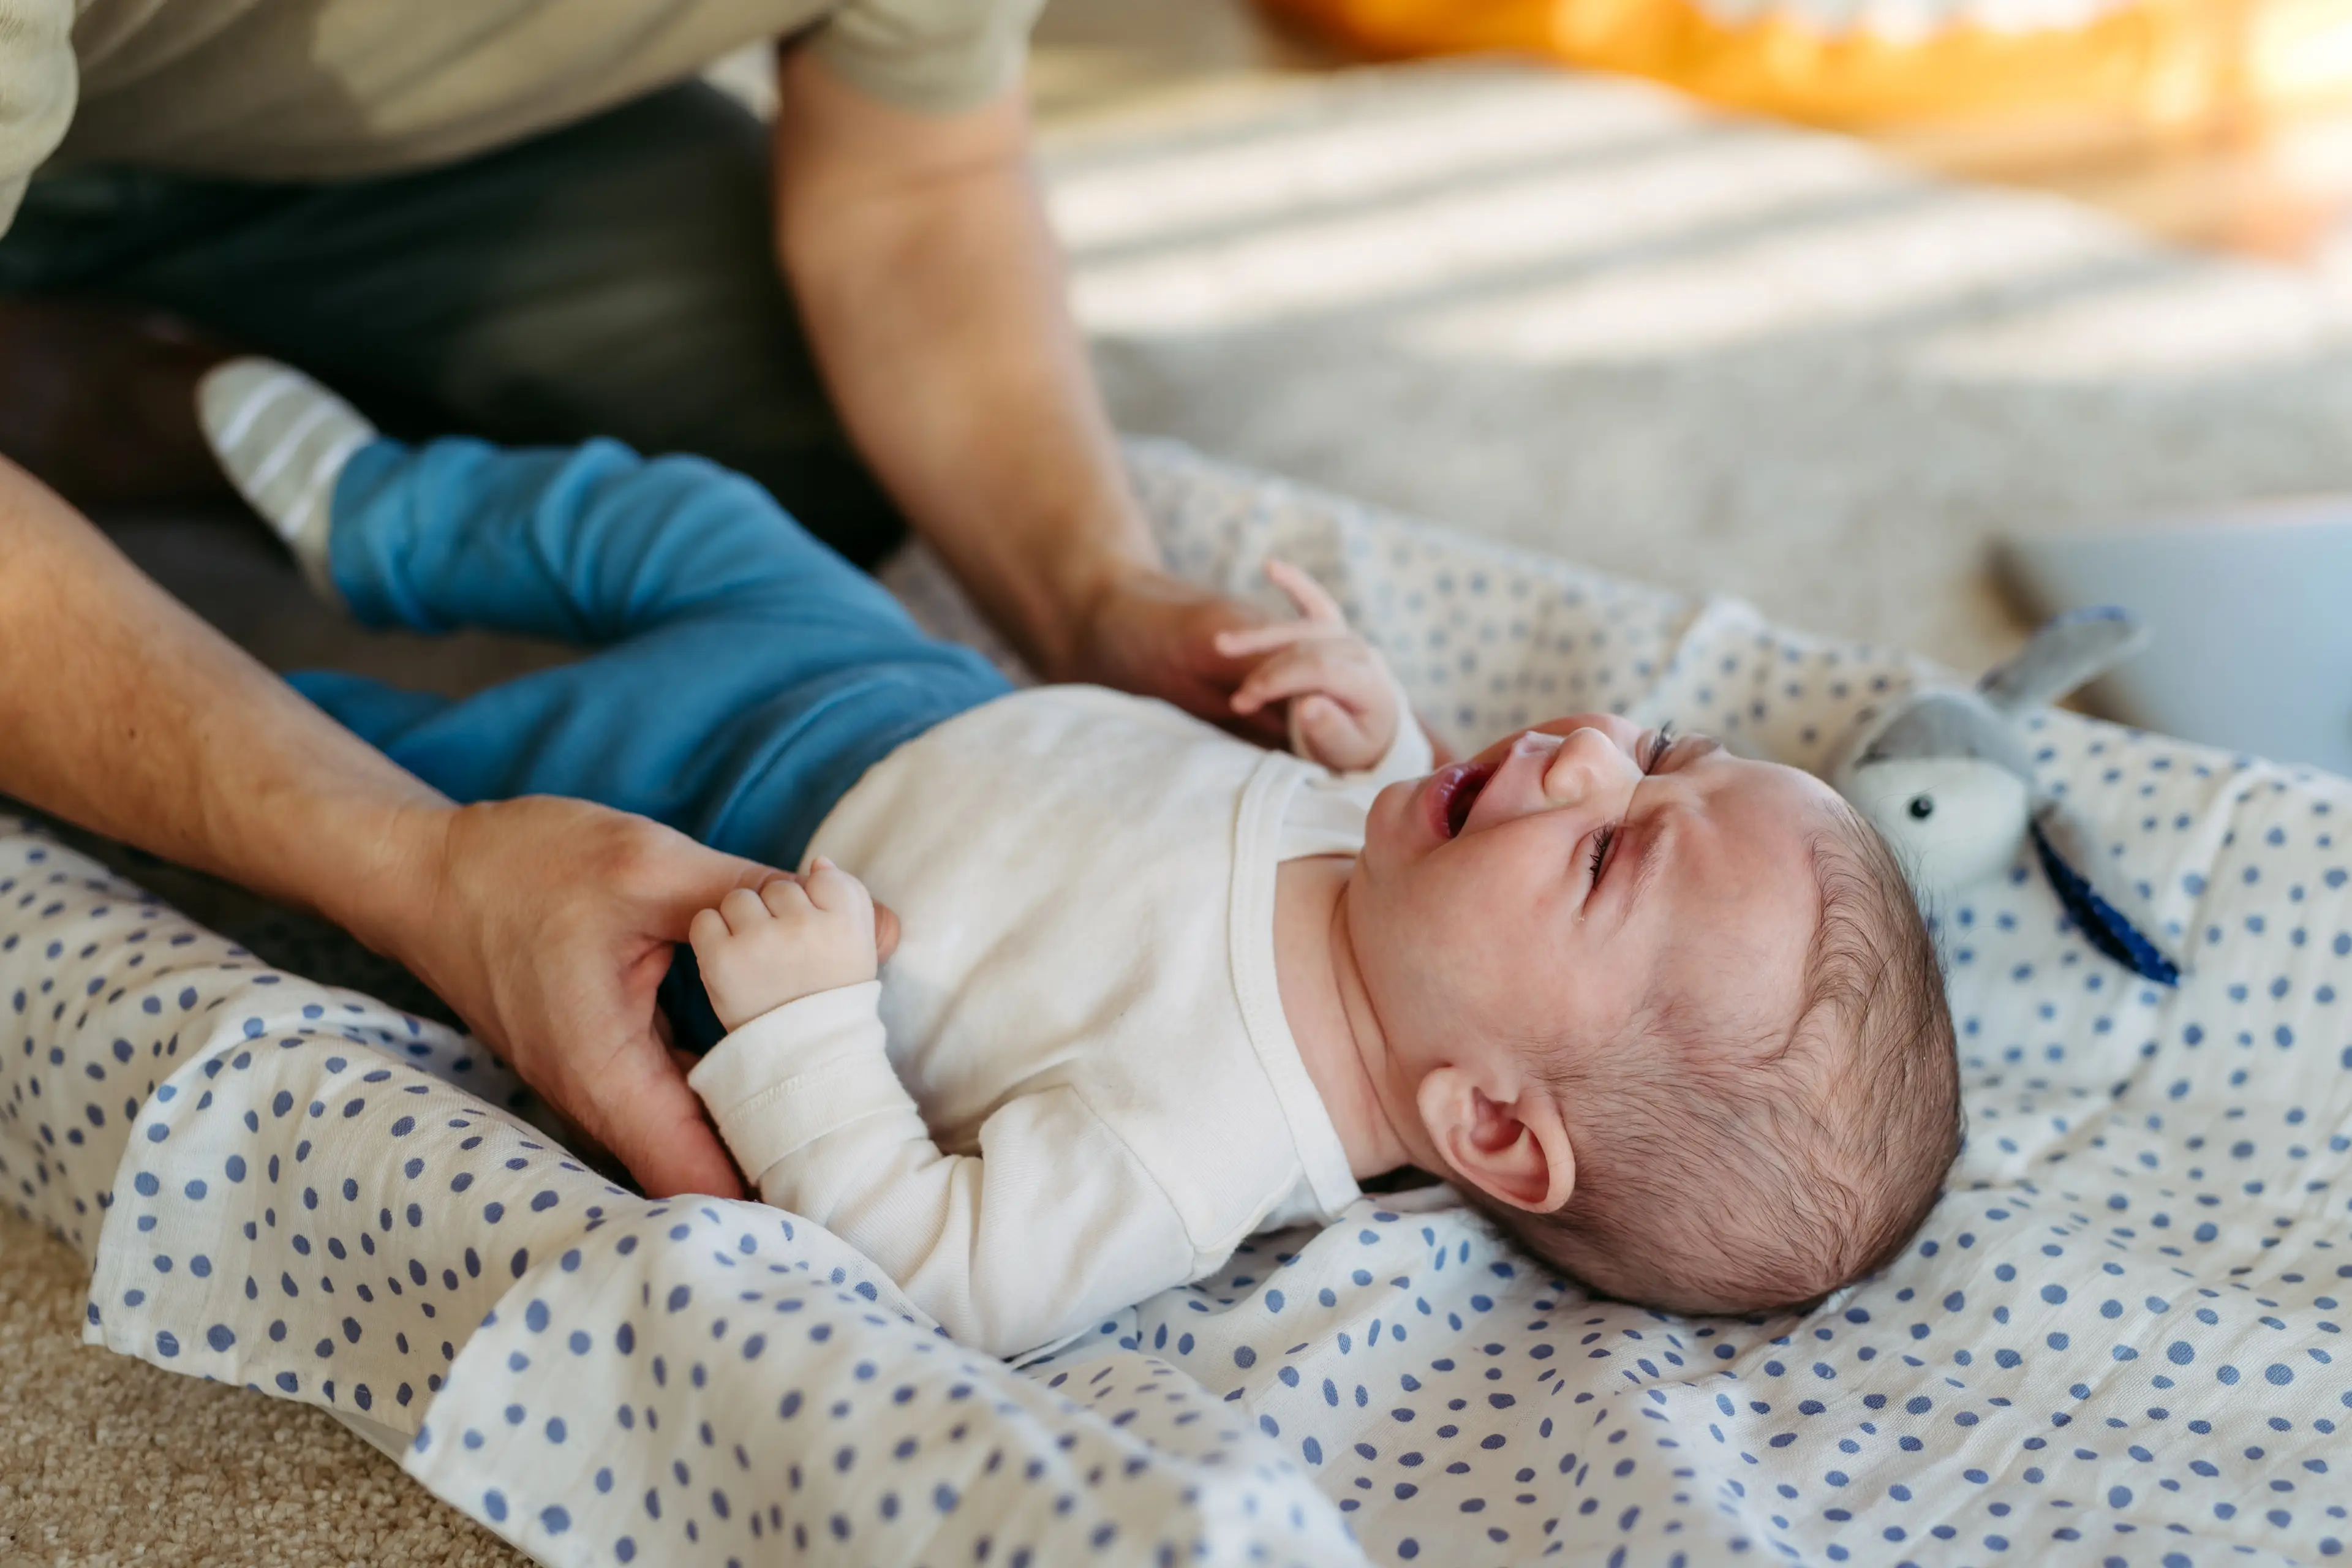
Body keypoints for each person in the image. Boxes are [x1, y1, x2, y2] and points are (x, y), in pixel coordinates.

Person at [202, 358, 1964, 1355]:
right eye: (1659, 753)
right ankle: (391, 517)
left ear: (1490, 1126)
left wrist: (807, 1034)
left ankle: (215, 675)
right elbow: (1427, 846)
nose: (1587, 749)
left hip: (714, 818)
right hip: (891, 677)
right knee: (691, 516)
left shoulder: (1197, 1138)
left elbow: (940, 1274)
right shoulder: (1417, 894)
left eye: (1606, 857)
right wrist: (1370, 731)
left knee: (403, 766)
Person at [0, 0, 1289, 1199]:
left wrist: (1097, 591)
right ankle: (287, 499)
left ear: (1499, 1134)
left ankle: (145, 401)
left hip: (325, 147)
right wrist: (413, 864)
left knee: (822, 447)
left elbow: (921, 181)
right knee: (312, 769)